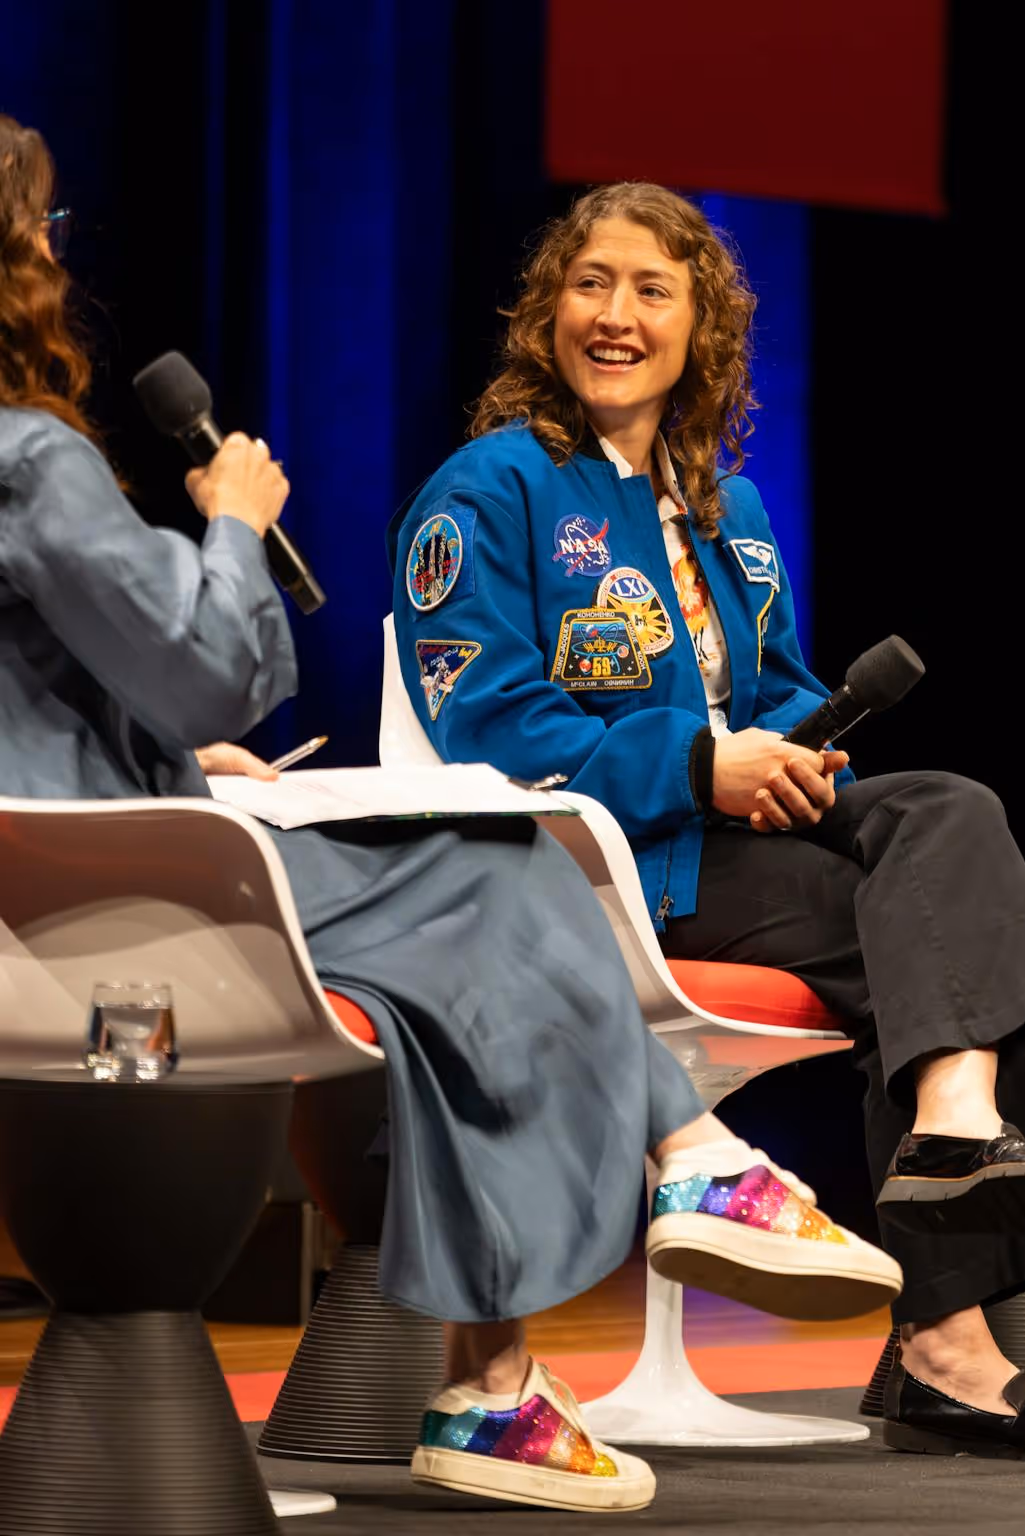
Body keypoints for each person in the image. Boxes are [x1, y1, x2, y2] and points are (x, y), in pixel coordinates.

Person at [0, 115, 901, 1515]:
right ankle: (680, 1173)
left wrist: (174, 764)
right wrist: (233, 523)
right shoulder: (32, 461)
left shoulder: (728, 506)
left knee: (473, 914)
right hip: (115, 901)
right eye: (43, 238)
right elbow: (221, 663)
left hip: (79, 856)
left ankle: (510, 1377)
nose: (57, 265)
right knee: (493, 873)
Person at [387, 181, 1025, 1461]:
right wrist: (698, 764)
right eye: (590, 284)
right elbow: (490, 726)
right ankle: (946, 1336)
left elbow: (773, 686)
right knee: (951, 947)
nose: (615, 316)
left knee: (948, 815)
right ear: (545, 312)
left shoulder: (728, 502)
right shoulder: (488, 490)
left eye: (651, 291)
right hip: (614, 866)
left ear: (700, 329)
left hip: (735, 837)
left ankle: (953, 1134)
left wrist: (798, 754)